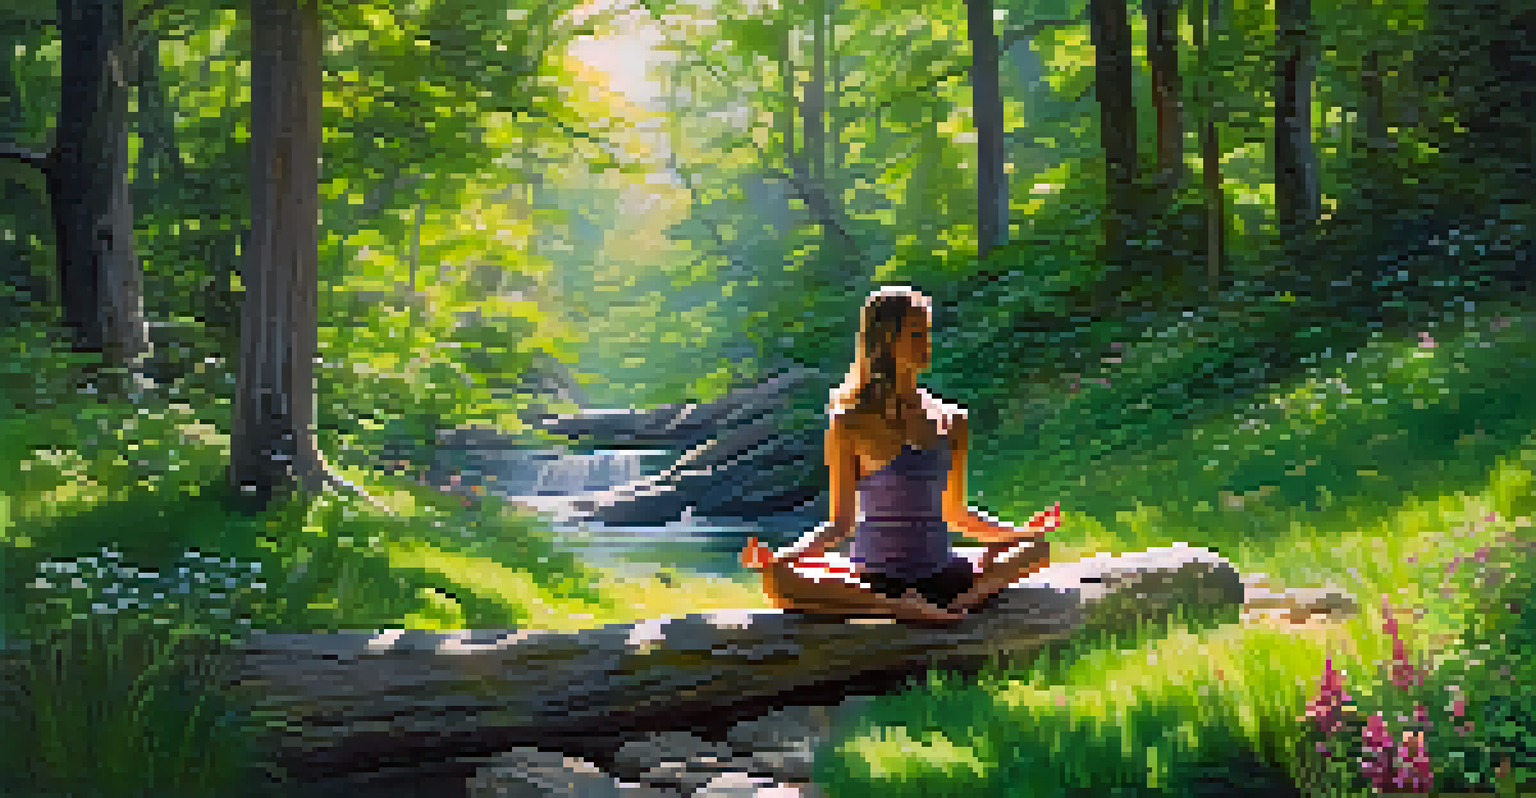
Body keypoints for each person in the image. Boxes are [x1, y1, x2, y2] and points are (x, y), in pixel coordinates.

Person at [740, 286, 1054, 624]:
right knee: (776, 578)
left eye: (927, 333)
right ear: (886, 340)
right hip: (877, 579)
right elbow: (839, 524)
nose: (927, 344)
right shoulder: (849, 421)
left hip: (944, 573)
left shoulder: (952, 420)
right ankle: (898, 608)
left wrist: (1019, 532)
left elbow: (957, 514)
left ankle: (967, 599)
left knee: (1039, 547)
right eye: (916, 334)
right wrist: (779, 557)